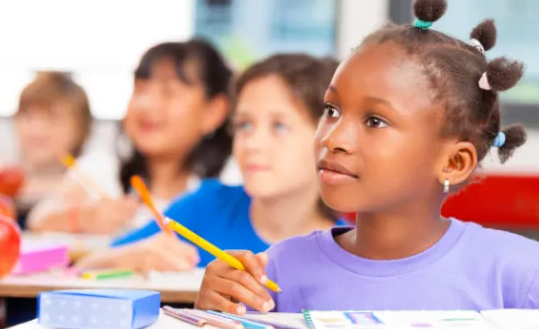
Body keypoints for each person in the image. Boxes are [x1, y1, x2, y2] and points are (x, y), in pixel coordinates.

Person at [195, 0, 539, 315]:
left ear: (454, 162)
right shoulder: (276, 271)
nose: (333, 137)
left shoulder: (516, 276)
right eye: (331, 110)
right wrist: (212, 318)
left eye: (374, 120)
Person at [76, 54, 346, 274]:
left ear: (328, 138)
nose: (251, 143)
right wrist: (135, 257)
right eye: (244, 124)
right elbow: (86, 267)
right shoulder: (205, 206)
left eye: (279, 126)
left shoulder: (352, 245)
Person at [26, 39, 238, 236]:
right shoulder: (100, 171)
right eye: (140, 90)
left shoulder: (233, 181)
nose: (146, 105)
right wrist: (83, 218)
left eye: (169, 92)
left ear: (214, 111)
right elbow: (38, 221)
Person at [0, 71, 92, 207]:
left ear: (81, 130)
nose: (37, 128)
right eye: (28, 117)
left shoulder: (87, 173)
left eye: (53, 118)